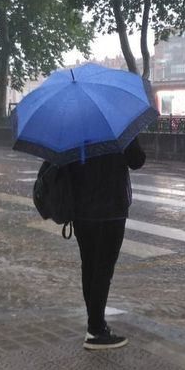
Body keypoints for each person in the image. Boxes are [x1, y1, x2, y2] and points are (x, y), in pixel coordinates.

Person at [68, 137, 146, 350]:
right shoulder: (118, 129)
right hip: (111, 210)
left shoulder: (74, 131)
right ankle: (96, 330)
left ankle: (94, 322)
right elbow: (137, 160)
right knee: (103, 269)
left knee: (90, 266)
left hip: (82, 210)